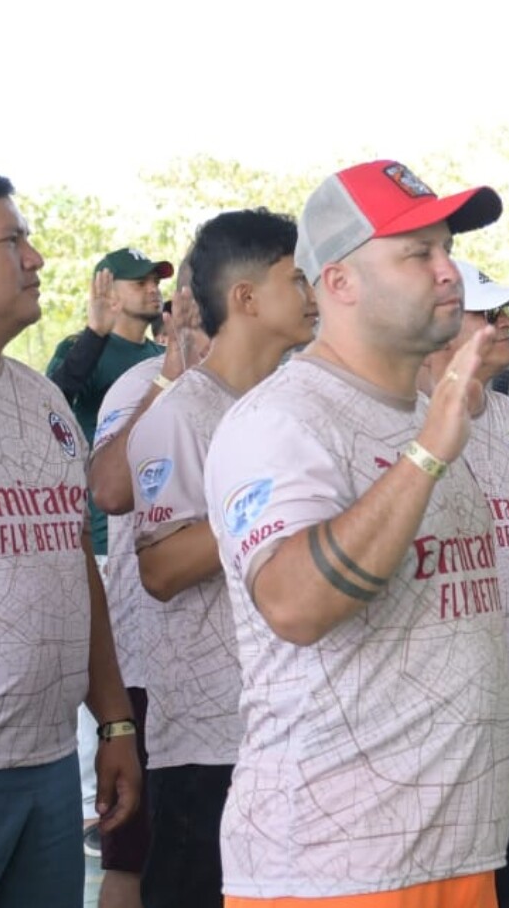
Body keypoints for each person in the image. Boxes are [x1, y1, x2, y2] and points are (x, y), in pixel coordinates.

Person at [200, 160, 509, 905]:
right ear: (337, 282)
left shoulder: (417, 409)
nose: (450, 272)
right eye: (418, 253)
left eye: (447, 249)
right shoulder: (282, 419)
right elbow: (295, 603)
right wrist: (431, 449)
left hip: (450, 851)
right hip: (333, 868)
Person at [0, 165, 141, 908]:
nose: (35, 257)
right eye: (11, 241)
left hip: (48, 764)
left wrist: (114, 719)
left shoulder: (44, 401)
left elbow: (70, 567)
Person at [125, 209, 315, 908]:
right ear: (245, 299)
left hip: (293, 729)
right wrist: (263, 502)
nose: (314, 291)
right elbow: (162, 568)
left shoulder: (297, 403)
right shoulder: (182, 413)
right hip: (208, 746)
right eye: (296, 278)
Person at [415, 259, 509, 908]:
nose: (507, 324)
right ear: (439, 322)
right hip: (452, 714)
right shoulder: (412, 420)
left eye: (506, 312)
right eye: (489, 314)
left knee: (508, 879)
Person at [87, 261, 204, 908]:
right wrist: (172, 375)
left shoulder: (265, 389)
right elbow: (108, 488)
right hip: (147, 662)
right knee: (133, 859)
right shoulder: (136, 383)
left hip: (232, 681)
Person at [48, 245, 173, 556]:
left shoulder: (164, 357)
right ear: (109, 294)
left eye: (155, 283)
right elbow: (51, 405)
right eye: (139, 283)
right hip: (108, 534)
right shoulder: (83, 349)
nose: (153, 290)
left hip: (162, 527)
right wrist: (95, 335)